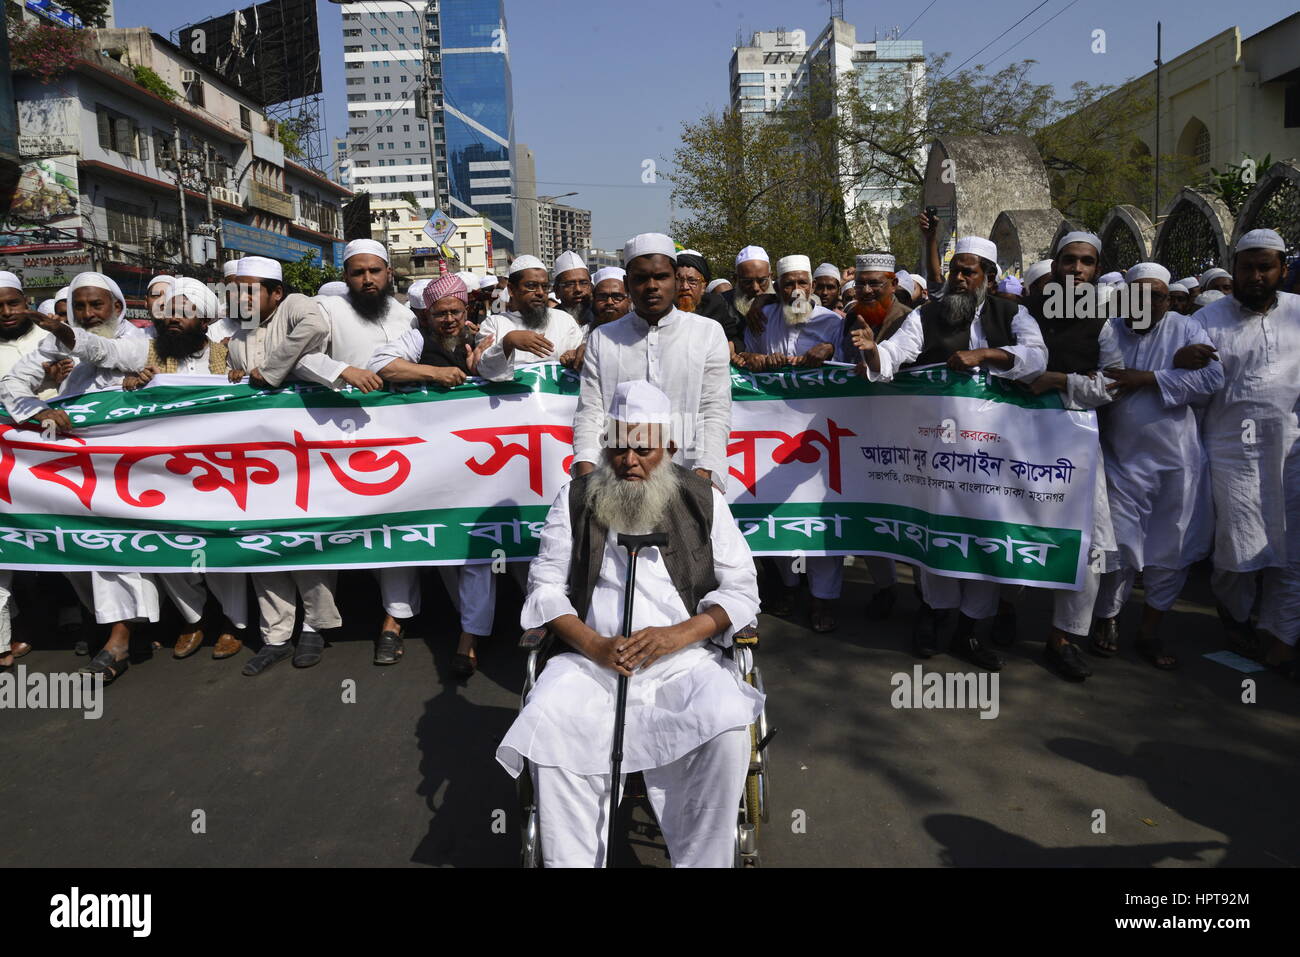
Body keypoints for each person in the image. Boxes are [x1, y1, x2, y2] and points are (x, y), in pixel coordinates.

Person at [497, 379, 763, 868]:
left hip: (684, 662)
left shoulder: (703, 499)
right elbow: (545, 587)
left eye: (643, 448)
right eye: (618, 447)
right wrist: (593, 644)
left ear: (669, 448)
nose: (629, 460)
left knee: (725, 725)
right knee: (550, 722)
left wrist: (677, 636)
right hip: (590, 664)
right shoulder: (575, 499)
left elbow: (742, 589)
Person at [1, 273, 205, 684]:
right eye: (80, 307)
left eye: (97, 306)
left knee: (133, 549)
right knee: (85, 549)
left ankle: (123, 639)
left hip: (142, 468)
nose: (89, 315)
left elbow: (100, 350)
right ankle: (122, 627)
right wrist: (39, 409)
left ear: (117, 306)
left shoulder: (139, 341)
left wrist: (66, 332)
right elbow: (12, 384)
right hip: (79, 469)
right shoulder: (52, 345)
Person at [853, 236, 1047, 669]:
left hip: (995, 454)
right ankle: (935, 615)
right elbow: (895, 354)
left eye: (969, 271)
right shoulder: (926, 316)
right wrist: (871, 353)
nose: (958, 278)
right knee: (938, 532)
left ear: (989, 278)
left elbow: (1036, 357)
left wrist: (984, 354)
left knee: (984, 539)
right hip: (938, 452)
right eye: (955, 269)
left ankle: (968, 632)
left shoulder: (1013, 313)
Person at [269, 238, 418, 666]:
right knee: (323, 527)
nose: (367, 279)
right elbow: (297, 360)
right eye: (358, 272)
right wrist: (343, 370)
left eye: (375, 271)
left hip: (395, 439)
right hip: (331, 438)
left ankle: (393, 620)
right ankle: (316, 625)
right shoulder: (328, 310)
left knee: (394, 528)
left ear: (389, 273)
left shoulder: (407, 315)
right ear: (346, 277)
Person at [367, 273, 509, 677]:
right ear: (427, 316)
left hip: (475, 463)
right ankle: (394, 623)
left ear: (467, 310)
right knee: (401, 536)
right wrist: (433, 374)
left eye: (454, 312)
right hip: (419, 463)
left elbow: (505, 372)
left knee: (474, 546)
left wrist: (481, 360)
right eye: (440, 313)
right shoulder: (416, 339)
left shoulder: (483, 338)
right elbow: (379, 365)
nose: (448, 320)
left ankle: (469, 637)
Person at [1088, 263, 1223, 670]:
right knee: (1120, 548)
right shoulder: (1107, 329)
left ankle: (1150, 629)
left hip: (1178, 463)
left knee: (1171, 550)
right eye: (1139, 295)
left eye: (1158, 296)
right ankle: (1107, 619)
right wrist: (1168, 371)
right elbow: (1101, 379)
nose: (1147, 303)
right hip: (1120, 459)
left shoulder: (1185, 329)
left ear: (1168, 299)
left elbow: (1212, 379)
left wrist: (1148, 378)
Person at [226, 256, 344, 675]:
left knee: (304, 537)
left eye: (250, 289)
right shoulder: (236, 330)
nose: (240, 297)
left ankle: (315, 626)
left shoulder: (296, 305)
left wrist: (268, 372)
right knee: (262, 539)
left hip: (303, 449)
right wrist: (237, 376)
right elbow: (235, 376)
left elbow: (313, 332)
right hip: (256, 454)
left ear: (275, 292)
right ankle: (275, 634)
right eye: (235, 290)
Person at [1194, 229, 1299, 673]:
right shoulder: (1205, 321)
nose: (1255, 276)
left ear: (1282, 270)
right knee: (1237, 549)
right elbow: (1195, 392)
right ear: (1233, 269)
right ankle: (1236, 616)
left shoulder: (1299, 314)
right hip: (1229, 451)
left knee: (1292, 550)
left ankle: (1281, 636)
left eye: (1265, 267)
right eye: (1247, 267)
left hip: (1291, 451)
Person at [1021, 231, 1123, 682]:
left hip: (1076, 444)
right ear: (1056, 265)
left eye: (1085, 262)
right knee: (1003, 525)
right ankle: (999, 612)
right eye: (1068, 261)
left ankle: (1063, 638)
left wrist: (1058, 380)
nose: (1077, 270)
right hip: (1015, 442)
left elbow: (1112, 385)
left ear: (1095, 270)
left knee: (1092, 545)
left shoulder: (1105, 324)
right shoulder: (1023, 316)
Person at [574, 234, 732, 490]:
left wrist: (707, 468)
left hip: (689, 478)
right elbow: (591, 411)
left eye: (661, 277)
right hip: (618, 482)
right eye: (641, 278)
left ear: (675, 279)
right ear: (627, 283)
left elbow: (714, 409)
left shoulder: (707, 333)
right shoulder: (603, 338)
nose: (651, 286)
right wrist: (585, 466)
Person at [741, 254, 845, 631]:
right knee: (780, 515)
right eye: (788, 284)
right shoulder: (763, 317)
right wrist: (754, 359)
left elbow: (851, 371)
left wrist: (832, 352)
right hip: (773, 435)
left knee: (819, 520)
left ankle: (823, 599)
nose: (796, 290)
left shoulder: (832, 323)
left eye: (802, 282)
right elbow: (746, 360)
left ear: (813, 286)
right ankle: (787, 586)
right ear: (778, 287)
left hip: (821, 434)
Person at [474, 255, 584, 382]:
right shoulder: (494, 324)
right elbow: (486, 370)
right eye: (531, 286)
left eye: (545, 286)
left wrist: (576, 355)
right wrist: (508, 342)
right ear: (511, 290)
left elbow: (583, 361)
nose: (540, 292)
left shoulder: (564, 320)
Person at [717, 245, 773, 346]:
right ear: (735, 279)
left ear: (770, 277)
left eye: (762, 281)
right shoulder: (721, 304)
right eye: (747, 282)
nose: (755, 288)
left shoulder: (780, 299)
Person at [552, 251, 593, 323]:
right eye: (569, 284)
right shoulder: (549, 322)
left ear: (591, 287)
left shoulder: (602, 318)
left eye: (583, 283)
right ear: (557, 291)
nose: (578, 289)